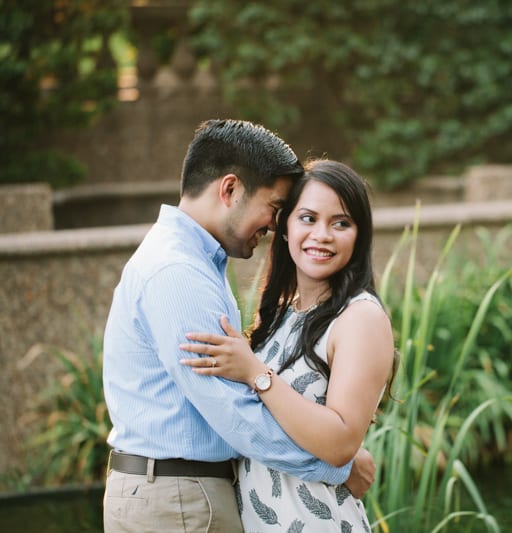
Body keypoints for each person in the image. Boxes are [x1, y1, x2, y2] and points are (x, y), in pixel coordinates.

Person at [102, 120, 375, 533]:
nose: (274, 225)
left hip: (180, 494)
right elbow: (234, 412)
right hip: (180, 500)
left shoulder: (196, 264)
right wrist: (338, 465)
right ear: (229, 190)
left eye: (340, 222)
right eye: (277, 207)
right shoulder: (179, 273)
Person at [179, 159, 396, 532]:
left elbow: (340, 442)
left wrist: (255, 374)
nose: (322, 234)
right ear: (284, 227)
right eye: (308, 218)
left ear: (359, 236)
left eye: (341, 223)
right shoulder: (281, 313)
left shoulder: (360, 318)